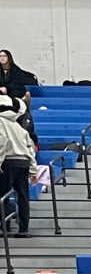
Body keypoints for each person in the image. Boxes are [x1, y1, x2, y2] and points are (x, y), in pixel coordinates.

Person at [0, 93, 34, 238]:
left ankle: (5, 227)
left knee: (4, 195)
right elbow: (29, 147)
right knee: (23, 196)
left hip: (9, 161)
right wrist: (33, 169)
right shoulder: (18, 125)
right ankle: (24, 229)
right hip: (23, 162)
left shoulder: (0, 122)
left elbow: (2, 142)